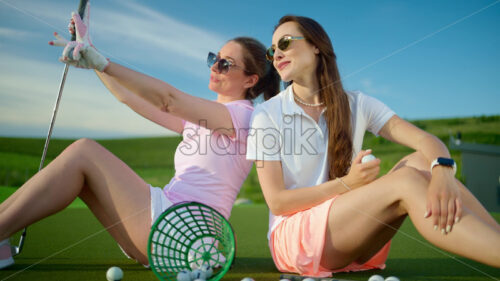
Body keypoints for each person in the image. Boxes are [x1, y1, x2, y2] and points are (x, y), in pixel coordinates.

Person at [0, 4, 279, 269]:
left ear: (250, 80)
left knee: (84, 151)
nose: (214, 67)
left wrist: (104, 63)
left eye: (225, 64)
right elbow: (128, 97)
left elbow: (168, 100)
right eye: (213, 59)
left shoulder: (243, 117)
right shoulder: (205, 117)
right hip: (167, 221)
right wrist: (91, 55)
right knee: (83, 173)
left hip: (184, 232)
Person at [246, 15, 500, 277]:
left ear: (316, 45)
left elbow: (425, 141)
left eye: (285, 43)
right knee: (406, 180)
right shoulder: (267, 114)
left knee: (422, 162)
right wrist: (347, 184)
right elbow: (277, 202)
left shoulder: (357, 103)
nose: (276, 55)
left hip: (351, 230)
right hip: (296, 240)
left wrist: (443, 171)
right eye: (272, 50)